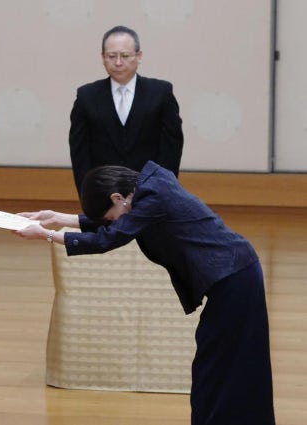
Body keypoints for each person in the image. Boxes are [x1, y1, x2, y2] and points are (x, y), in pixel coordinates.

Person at [14, 161, 275, 425]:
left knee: (221, 363)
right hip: (234, 275)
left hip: (234, 277)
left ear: (117, 198)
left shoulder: (153, 198)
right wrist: (57, 218)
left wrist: (46, 235)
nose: (110, 222)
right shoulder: (149, 187)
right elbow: (116, 225)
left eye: (109, 216)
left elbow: (109, 238)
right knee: (221, 361)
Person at [69, 25, 184, 195]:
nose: (118, 62)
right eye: (111, 56)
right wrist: (89, 196)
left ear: (139, 56)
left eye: (125, 56)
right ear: (102, 57)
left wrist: (162, 192)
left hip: (151, 194)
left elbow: (172, 149)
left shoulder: (161, 93)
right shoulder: (87, 96)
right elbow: (79, 154)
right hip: (103, 196)